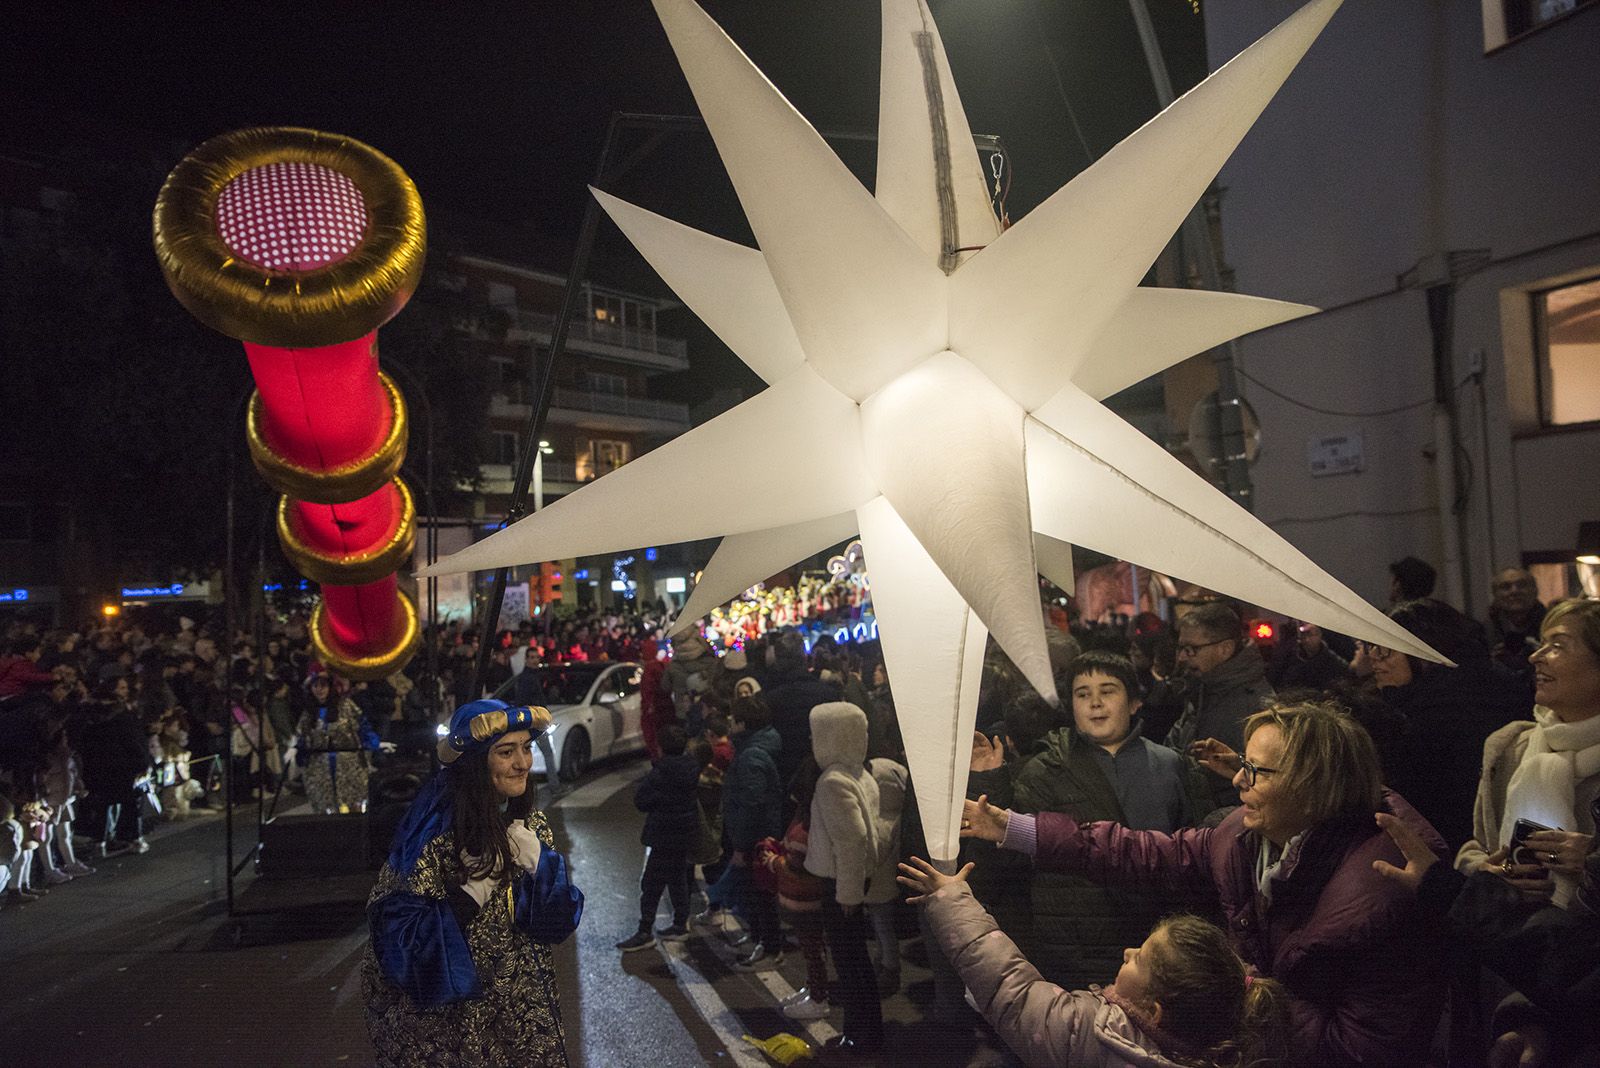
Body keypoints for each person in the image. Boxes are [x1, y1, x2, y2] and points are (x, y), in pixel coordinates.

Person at [964, 701, 1449, 1068]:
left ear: (1313, 783)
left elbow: (1364, 1049)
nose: (1237, 779)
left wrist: (1229, 1000)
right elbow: (1144, 852)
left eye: (1256, 771)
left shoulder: (1384, 889)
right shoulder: (1243, 834)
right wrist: (1016, 828)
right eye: (1243, 762)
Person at [969, 653, 1218, 989]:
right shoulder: (1045, 770)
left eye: (1108, 691)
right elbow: (1007, 866)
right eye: (1082, 694)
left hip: (1156, 942)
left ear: (1134, 703)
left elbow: (1197, 859)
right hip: (1076, 952)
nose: (1095, 703)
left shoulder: (1171, 765)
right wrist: (992, 785)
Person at [899, 856, 1293, 1068]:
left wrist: (952, 900)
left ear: (1154, 1012)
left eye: (1139, 959)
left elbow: (1011, 989)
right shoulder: (1225, 1045)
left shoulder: (1094, 1035)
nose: (1127, 953)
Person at [362, 699, 582, 1067]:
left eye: (526, 748)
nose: (523, 763)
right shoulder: (432, 837)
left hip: (519, 1017)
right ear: (476, 763)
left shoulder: (531, 827)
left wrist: (543, 867)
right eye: (506, 752)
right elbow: (400, 951)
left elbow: (554, 924)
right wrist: (471, 894)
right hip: (451, 1029)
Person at [1456, 597, 1600, 911]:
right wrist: (1490, 871)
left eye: (1557, 646)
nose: (1536, 657)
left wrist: (1593, 858)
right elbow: (1478, 846)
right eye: (1541, 644)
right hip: (1516, 943)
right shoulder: (1508, 747)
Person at [1358, 599, 1526, 852]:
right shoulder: (1490, 685)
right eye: (1372, 647)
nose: (1374, 658)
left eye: (1386, 648)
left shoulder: (1429, 717)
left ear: (1427, 652)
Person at [805, 701, 884, 1055]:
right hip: (855, 879)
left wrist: (848, 896)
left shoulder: (831, 782)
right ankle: (868, 1030)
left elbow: (852, 841)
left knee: (849, 963)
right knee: (859, 962)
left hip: (841, 884)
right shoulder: (860, 774)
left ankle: (859, 1035)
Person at [1162, 602, 1275, 808]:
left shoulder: (1256, 705)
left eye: (1191, 649)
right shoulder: (1201, 689)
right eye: (1180, 648)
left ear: (1225, 649)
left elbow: (1268, 779)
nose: (1181, 657)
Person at [617, 724, 701, 951]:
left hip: (663, 833)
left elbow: (641, 801)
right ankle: (680, 923)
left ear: (661, 747)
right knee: (677, 878)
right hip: (684, 832)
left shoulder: (661, 772)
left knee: (651, 884)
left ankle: (645, 931)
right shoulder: (692, 768)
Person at [722, 693, 785, 968]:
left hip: (755, 838)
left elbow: (752, 803)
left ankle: (769, 948)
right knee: (758, 893)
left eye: (733, 720)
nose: (730, 724)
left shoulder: (752, 755)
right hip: (760, 834)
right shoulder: (759, 745)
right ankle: (759, 937)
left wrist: (741, 845)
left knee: (759, 894)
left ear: (743, 724)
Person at [292, 672, 383, 815]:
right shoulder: (308, 713)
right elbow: (302, 738)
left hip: (348, 764)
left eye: (323, 686)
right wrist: (299, 753)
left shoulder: (345, 706)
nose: (319, 690)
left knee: (353, 803)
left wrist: (373, 743)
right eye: (315, 686)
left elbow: (362, 726)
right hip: (320, 768)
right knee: (326, 806)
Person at [1486, 568, 1546, 682]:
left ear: (1535, 590)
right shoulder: (1482, 634)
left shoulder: (1551, 628)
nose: (1514, 591)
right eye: (1505, 587)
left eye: (1522, 585)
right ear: (1495, 594)